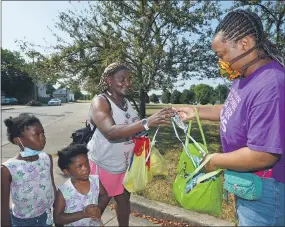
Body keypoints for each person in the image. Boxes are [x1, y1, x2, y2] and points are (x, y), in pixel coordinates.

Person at [176, 9, 284, 226]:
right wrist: (196, 111)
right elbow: (231, 109)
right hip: (249, 184)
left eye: (221, 54)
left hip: (266, 192)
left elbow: (264, 155)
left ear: (245, 44)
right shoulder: (244, 75)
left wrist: (213, 161)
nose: (221, 62)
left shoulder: (271, 84)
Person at [87, 62, 174, 226]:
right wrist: (147, 122)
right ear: (109, 80)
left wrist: (150, 127)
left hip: (123, 166)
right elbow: (111, 132)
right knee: (96, 209)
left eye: (129, 79)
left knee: (124, 202)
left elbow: (132, 128)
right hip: (102, 165)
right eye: (122, 79)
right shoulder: (100, 101)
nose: (127, 83)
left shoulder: (126, 103)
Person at [1, 113, 56, 227]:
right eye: (36, 134)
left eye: (43, 133)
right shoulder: (8, 169)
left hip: (46, 217)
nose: (43, 137)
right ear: (18, 140)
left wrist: (58, 211)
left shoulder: (47, 158)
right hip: (22, 222)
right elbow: (3, 207)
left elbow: (52, 186)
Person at [53, 144, 109, 226]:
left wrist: (99, 208)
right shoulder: (64, 191)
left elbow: (105, 195)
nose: (85, 168)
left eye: (86, 163)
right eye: (79, 166)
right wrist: (83, 213)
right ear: (67, 172)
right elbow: (58, 218)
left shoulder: (95, 181)